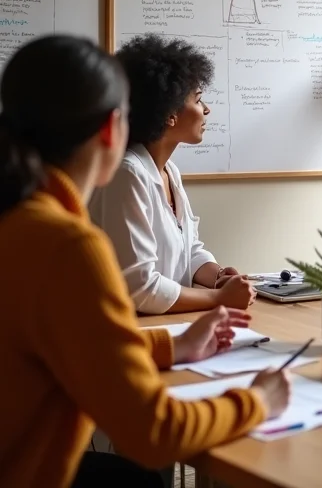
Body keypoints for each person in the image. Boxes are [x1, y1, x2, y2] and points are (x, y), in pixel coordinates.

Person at [0, 35, 290, 488]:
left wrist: (173, 347)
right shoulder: (68, 245)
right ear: (111, 128)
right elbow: (154, 433)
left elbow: (79, 338)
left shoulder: (21, 221)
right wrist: (257, 402)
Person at [90, 34, 252, 314]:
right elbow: (140, 289)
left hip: (167, 323)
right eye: (198, 100)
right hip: (134, 328)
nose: (206, 109)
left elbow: (189, 249)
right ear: (169, 114)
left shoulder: (168, 171)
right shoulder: (127, 174)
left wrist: (217, 276)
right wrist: (219, 298)